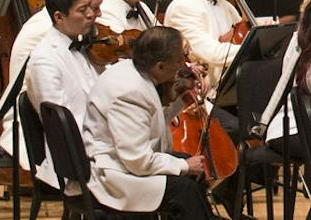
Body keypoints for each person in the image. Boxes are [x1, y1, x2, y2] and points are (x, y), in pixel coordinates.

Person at [84, 25, 215, 220]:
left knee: (195, 173)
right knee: (185, 187)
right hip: (114, 174)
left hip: (126, 159)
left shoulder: (134, 70)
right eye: (180, 59)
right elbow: (138, 160)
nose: (184, 66)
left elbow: (151, 124)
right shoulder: (130, 92)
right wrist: (184, 166)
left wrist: (181, 97)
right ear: (160, 66)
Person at [19, 0, 103, 191]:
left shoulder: (87, 46)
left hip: (100, 146)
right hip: (77, 163)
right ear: (59, 17)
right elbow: (64, 127)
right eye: (82, 10)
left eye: (90, 7)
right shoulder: (44, 60)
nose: (90, 15)